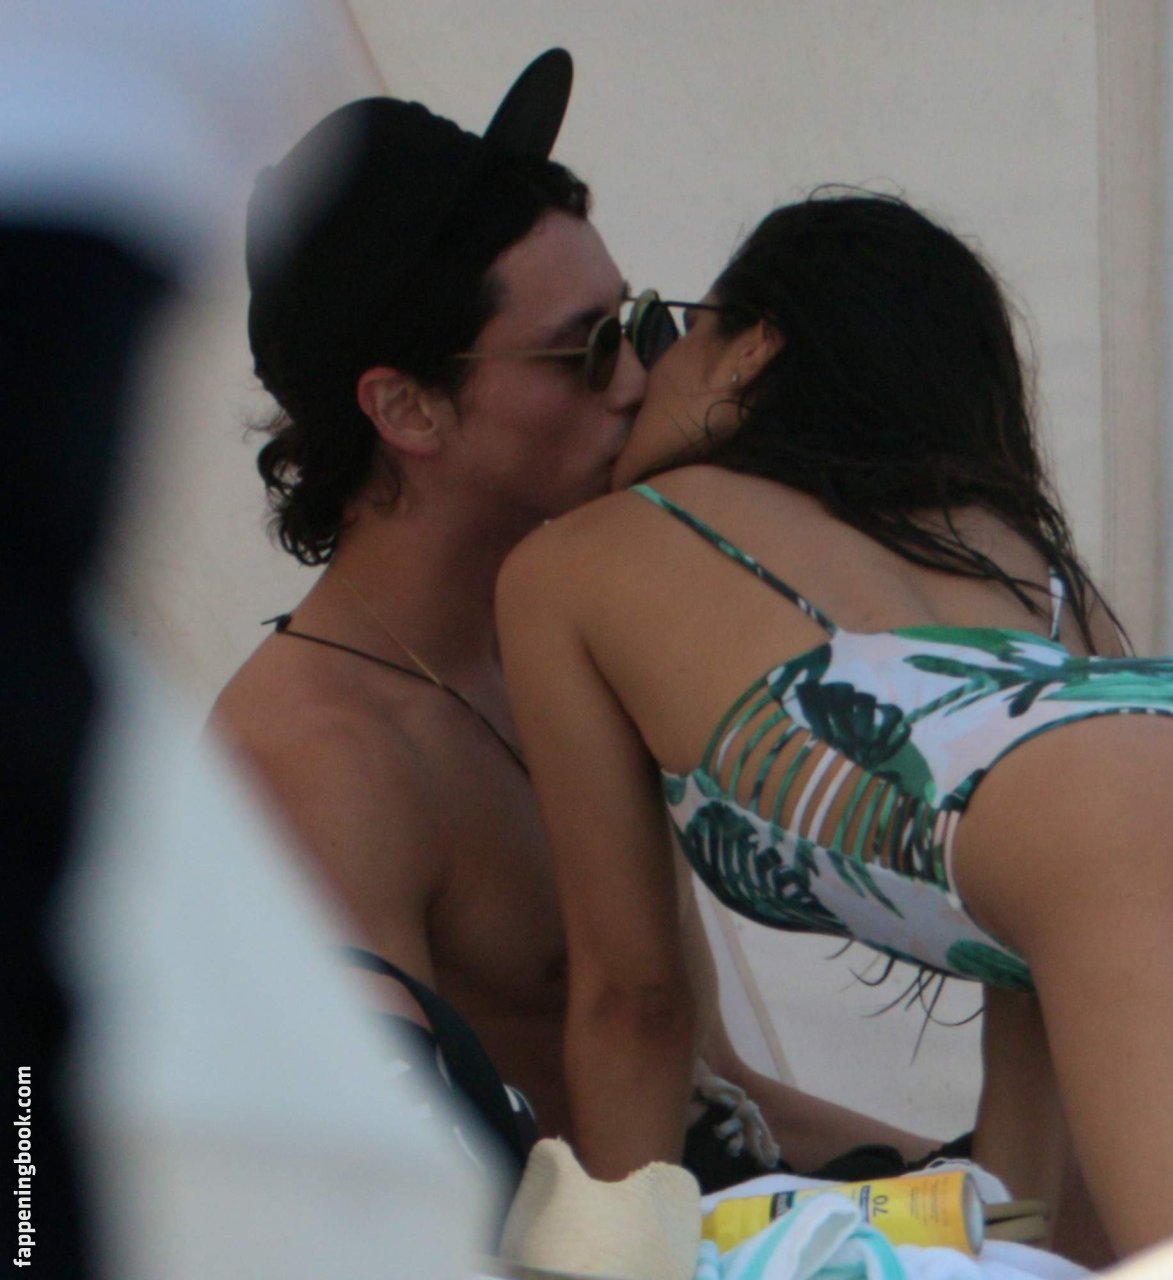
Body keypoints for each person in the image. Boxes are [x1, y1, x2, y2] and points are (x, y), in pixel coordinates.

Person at [495, 191, 1173, 1256]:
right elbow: (1048, 950)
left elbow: (634, 1000)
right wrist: (1017, 1229)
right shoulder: (1008, 549)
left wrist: (626, 1248)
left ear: (752, 348)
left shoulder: (576, 561)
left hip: (1149, 821)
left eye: (669, 328)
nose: (639, 374)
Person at [212, 52, 930, 1183]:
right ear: (406, 408)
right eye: (587, 349)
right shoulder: (318, 755)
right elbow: (386, 1197)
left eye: (640, 324)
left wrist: (992, 1198)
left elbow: (711, 1093)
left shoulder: (556, 647)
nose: (640, 381)